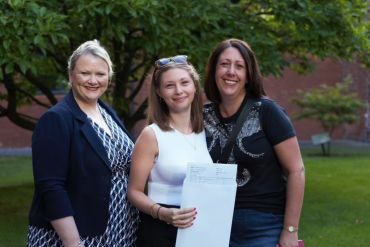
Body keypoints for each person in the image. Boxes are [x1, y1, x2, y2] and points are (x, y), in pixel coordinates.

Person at [27, 40, 138, 247]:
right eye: (85, 73)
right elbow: (51, 187)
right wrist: (73, 243)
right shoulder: (56, 119)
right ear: (70, 76)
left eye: (100, 74)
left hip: (119, 228)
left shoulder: (107, 113)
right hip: (76, 234)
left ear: (109, 77)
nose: (93, 80)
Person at [203, 38, 305, 247]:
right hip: (214, 222)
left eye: (239, 66)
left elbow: (297, 170)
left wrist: (290, 229)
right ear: (214, 71)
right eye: (224, 64)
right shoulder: (202, 116)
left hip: (263, 225)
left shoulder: (267, 111)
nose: (231, 71)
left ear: (248, 75)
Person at [128, 55, 213, 247]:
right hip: (160, 228)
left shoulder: (208, 131)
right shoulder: (151, 135)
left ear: (194, 86)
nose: (179, 91)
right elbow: (134, 192)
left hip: (201, 227)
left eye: (184, 82)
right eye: (169, 86)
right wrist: (162, 213)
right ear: (159, 92)